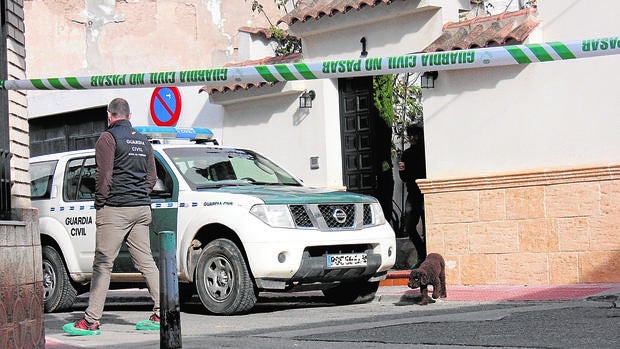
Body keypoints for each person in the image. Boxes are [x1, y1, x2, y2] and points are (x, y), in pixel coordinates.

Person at [63, 98, 160, 336]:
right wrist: (138, 194)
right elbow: (152, 178)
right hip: (141, 208)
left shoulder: (108, 138)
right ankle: (163, 313)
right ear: (130, 115)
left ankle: (91, 321)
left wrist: (100, 204)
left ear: (109, 115)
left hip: (115, 208)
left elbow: (104, 176)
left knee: (103, 264)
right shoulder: (143, 140)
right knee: (146, 261)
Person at [398, 124, 427, 269]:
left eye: (415, 134)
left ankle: (425, 258)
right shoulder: (406, 154)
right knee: (409, 227)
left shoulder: (426, 151)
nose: (413, 138)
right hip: (412, 193)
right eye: (410, 135)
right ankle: (422, 253)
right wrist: (402, 170)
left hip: (425, 193)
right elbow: (403, 177)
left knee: (427, 227)